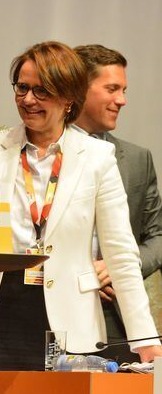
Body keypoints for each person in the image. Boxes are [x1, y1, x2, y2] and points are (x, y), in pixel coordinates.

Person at [0, 41, 162, 394]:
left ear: (68, 98)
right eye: (22, 87)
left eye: (41, 90)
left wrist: (145, 338)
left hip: (70, 324)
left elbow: (121, 254)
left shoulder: (97, 158)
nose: (28, 100)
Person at [72, 44, 162, 362]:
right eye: (112, 89)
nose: (121, 100)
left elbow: (157, 237)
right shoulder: (45, 154)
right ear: (80, 88)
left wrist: (119, 267)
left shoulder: (137, 160)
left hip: (118, 315)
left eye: (123, 90)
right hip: (56, 309)